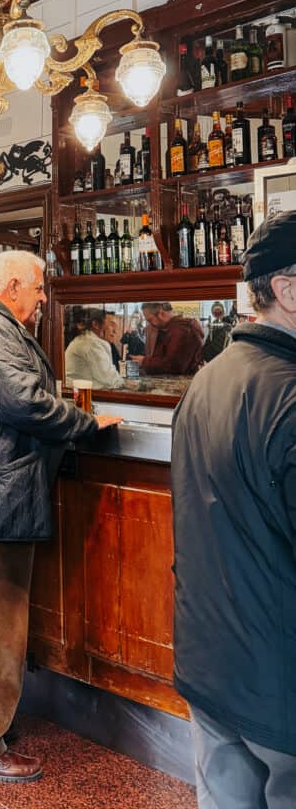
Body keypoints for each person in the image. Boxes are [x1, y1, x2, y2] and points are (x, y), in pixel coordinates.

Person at [0, 250, 120, 783]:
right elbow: (26, 404)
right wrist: (86, 424)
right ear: (13, 286)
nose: (43, 299)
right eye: (38, 289)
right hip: (0, 497)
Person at [171, 211, 296, 808]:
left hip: (209, 662)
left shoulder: (206, 379)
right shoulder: (290, 395)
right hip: (279, 682)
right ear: (288, 290)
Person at [131, 302, 203, 376]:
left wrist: (144, 361)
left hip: (180, 383)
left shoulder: (180, 331)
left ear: (161, 314)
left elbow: (173, 365)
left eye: (150, 320)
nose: (150, 324)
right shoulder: (170, 329)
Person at [64, 308, 123, 389]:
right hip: (79, 396)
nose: (115, 331)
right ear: (95, 324)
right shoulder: (89, 343)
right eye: (111, 325)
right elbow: (111, 380)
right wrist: (130, 384)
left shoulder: (91, 340)